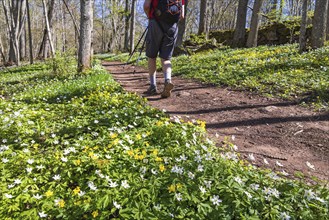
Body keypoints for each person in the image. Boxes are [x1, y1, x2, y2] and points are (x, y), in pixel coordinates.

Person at [143, 0, 185, 98]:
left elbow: (146, 6)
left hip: (156, 23)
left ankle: (153, 86)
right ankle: (167, 80)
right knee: (166, 58)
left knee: (152, 56)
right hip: (172, 27)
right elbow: (182, 15)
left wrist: (149, 16)